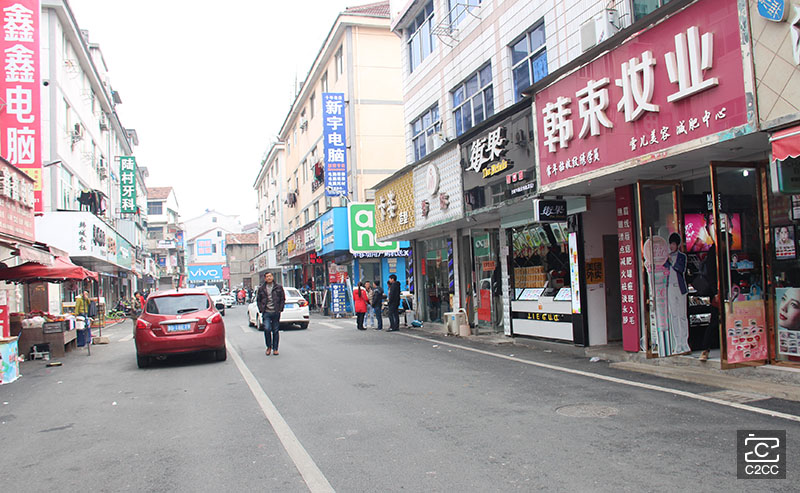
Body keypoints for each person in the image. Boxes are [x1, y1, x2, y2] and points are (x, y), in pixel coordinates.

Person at [663, 233, 690, 353]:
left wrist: (671, 262)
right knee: (674, 315)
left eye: (673, 244)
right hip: (670, 287)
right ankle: (677, 342)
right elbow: (663, 269)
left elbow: (681, 269)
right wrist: (667, 260)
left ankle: (685, 342)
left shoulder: (682, 257)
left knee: (682, 315)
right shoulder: (666, 258)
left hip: (680, 288)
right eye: (670, 244)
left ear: (677, 245)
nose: (671, 246)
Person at [257, 272, 285, 356]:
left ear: (273, 277)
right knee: (267, 329)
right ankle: (268, 347)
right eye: (267, 276)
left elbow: (282, 298)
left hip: (276, 312)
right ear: (265, 278)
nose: (269, 278)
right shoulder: (262, 288)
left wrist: (280, 309)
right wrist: (261, 309)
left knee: (275, 330)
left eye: (270, 276)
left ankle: (275, 348)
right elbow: (258, 300)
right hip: (266, 312)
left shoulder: (278, 287)